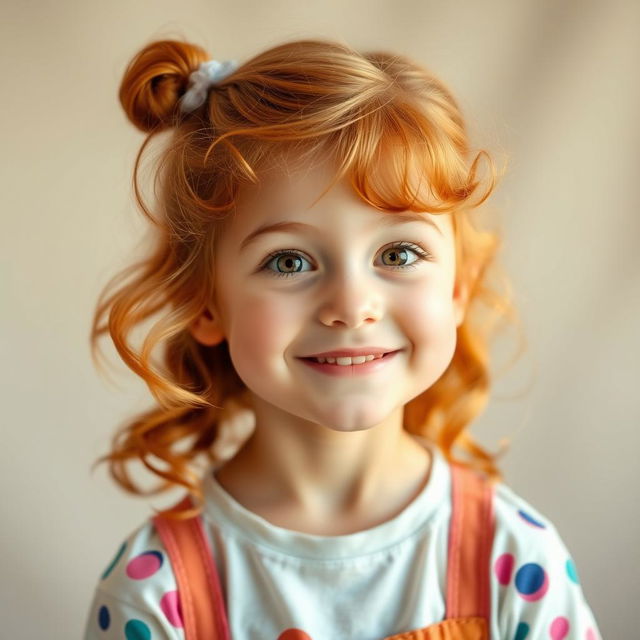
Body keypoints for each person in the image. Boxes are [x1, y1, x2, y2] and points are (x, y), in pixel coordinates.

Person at [83, 37, 602, 640]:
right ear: (204, 303)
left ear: (459, 286)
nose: (353, 305)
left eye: (399, 252)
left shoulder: (514, 560)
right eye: (288, 262)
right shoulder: (158, 591)